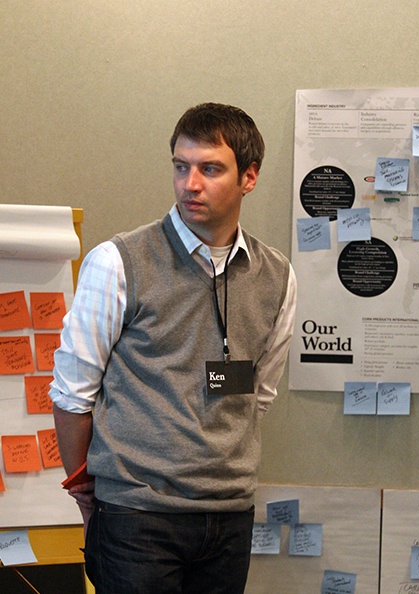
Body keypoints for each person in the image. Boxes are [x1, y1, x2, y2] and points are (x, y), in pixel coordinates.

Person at [49, 103, 297, 593]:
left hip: (229, 514)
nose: (190, 184)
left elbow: (259, 396)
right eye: (181, 167)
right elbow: (72, 394)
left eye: (210, 169)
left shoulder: (277, 276)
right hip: (137, 516)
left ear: (249, 177)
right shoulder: (118, 262)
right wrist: (88, 491)